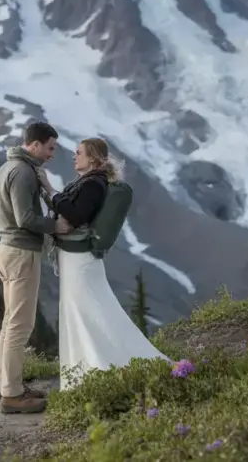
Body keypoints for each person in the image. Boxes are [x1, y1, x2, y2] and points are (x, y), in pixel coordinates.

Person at [47, 138, 168, 389]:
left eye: (78, 153)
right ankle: (84, 372)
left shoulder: (93, 183)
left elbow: (77, 214)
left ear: (92, 158)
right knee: (83, 310)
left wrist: (53, 194)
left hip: (79, 259)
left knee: (89, 311)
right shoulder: (90, 181)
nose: (74, 157)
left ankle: (100, 369)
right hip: (75, 259)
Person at [0, 121, 68, 413]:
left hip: (7, 250)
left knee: (10, 322)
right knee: (20, 325)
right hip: (22, 251)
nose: (51, 154)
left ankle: (6, 386)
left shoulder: (7, 168)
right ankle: (11, 396)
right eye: (50, 148)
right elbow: (25, 218)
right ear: (35, 144)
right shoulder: (23, 172)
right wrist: (55, 226)